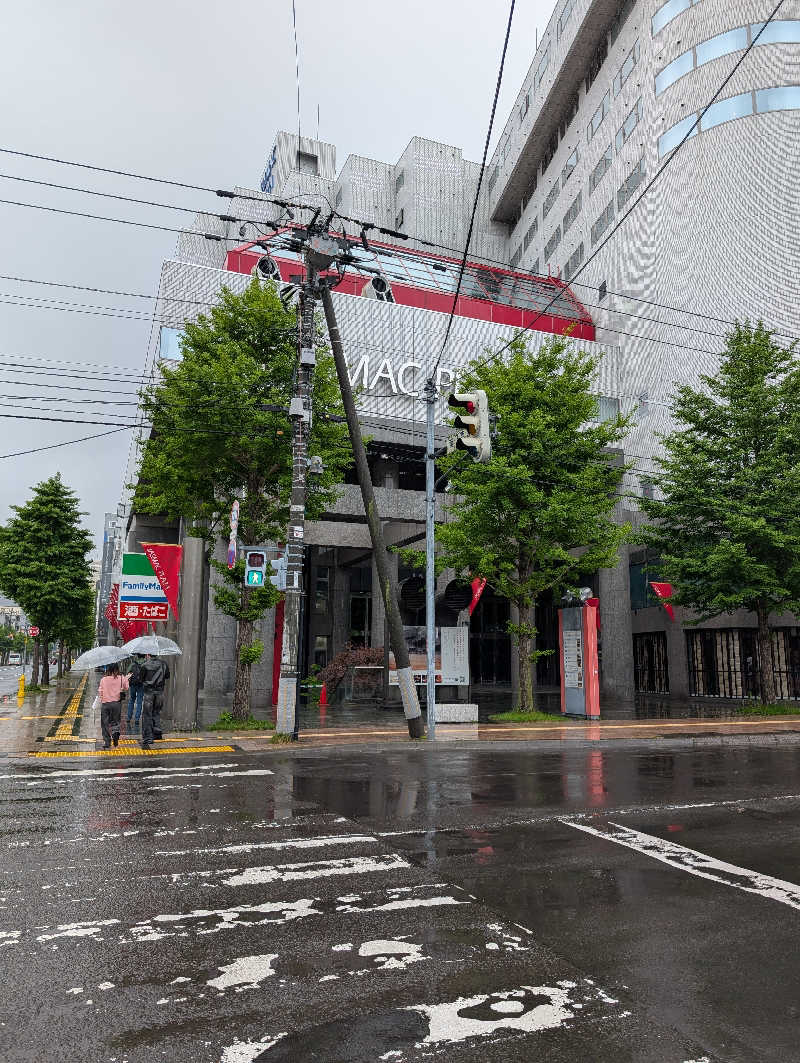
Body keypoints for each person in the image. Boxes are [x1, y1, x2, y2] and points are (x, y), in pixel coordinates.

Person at [139, 654, 170, 751]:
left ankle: (148, 738)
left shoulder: (144, 665)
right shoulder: (164, 664)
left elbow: (141, 679)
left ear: (148, 654)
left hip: (149, 693)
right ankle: (157, 734)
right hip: (160, 693)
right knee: (156, 713)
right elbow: (167, 676)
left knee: (147, 715)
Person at [97, 663, 129, 749]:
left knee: (105, 723)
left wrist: (102, 698)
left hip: (106, 704)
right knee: (116, 721)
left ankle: (107, 742)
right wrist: (126, 678)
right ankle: (115, 733)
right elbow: (126, 687)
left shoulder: (103, 679)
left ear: (108, 669)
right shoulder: (121, 678)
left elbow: (100, 691)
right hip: (116, 704)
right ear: (117, 669)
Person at [126, 655, 144, 732]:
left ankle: (128, 717)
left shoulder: (133, 664)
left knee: (132, 700)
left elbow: (127, 673)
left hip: (133, 685)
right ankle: (137, 719)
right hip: (141, 685)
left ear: (137, 656)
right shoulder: (145, 664)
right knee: (139, 702)